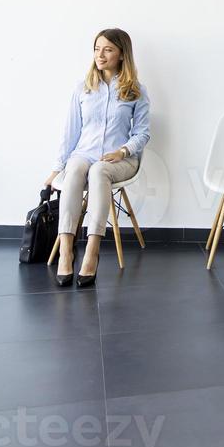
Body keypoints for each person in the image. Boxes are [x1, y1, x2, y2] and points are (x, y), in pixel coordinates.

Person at [43, 28, 150, 288]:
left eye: (108, 49)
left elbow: (143, 132)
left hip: (120, 160)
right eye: (96, 49)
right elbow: (70, 133)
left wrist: (123, 151)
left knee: (99, 170)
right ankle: (66, 252)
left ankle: (92, 251)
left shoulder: (136, 90)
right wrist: (57, 168)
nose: (100, 55)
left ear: (122, 54)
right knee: (77, 168)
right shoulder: (83, 88)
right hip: (84, 154)